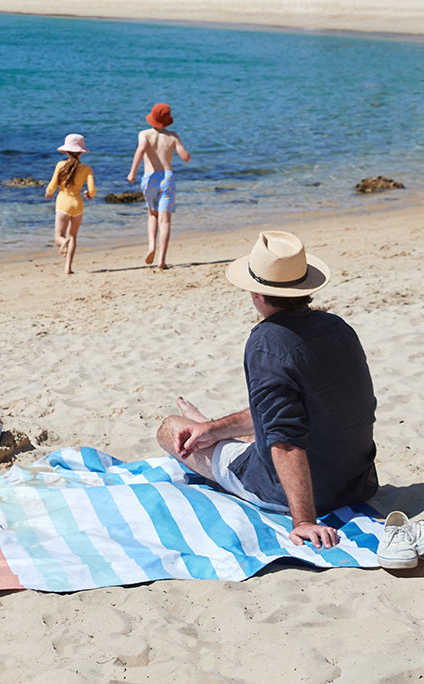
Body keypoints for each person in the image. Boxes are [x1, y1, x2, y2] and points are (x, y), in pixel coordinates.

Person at [156, 230, 377, 549]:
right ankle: (210, 429)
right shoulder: (338, 327)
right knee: (256, 429)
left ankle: (208, 441)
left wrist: (303, 521)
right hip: (356, 482)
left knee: (170, 428)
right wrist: (213, 428)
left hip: (299, 493)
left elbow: (286, 442)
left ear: (255, 293)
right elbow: (305, 410)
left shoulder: (266, 344)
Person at [127, 103, 191, 271]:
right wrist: (186, 153)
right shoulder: (173, 136)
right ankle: (162, 260)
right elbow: (185, 157)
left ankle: (151, 247)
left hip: (150, 177)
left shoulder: (144, 134)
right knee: (165, 220)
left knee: (152, 215)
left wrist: (132, 172)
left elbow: (140, 151)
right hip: (167, 178)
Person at [45, 134, 96, 275]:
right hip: (78, 204)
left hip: (63, 204)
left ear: (66, 151)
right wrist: (89, 194)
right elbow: (92, 190)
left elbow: (52, 184)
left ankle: (63, 242)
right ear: (81, 152)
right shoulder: (86, 169)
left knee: (58, 237)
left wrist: (48, 193)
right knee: (73, 236)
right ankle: (68, 267)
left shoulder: (60, 165)